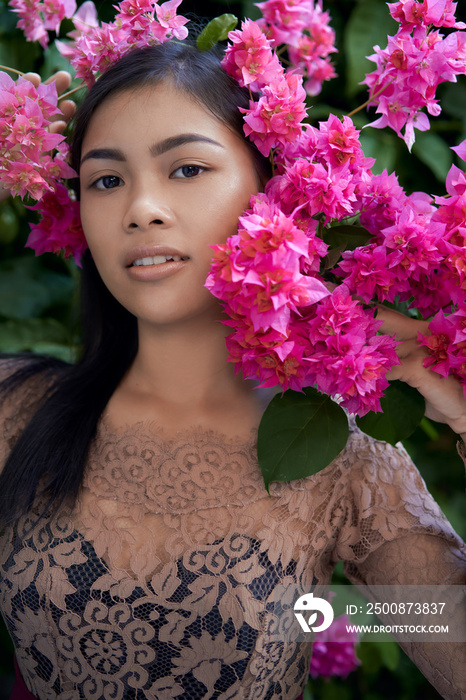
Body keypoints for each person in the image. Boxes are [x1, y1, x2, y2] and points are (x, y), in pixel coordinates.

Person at [0, 41, 465, 700]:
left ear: (274, 191)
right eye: (106, 180)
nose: (141, 208)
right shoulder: (14, 410)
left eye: (186, 168)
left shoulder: (349, 468)